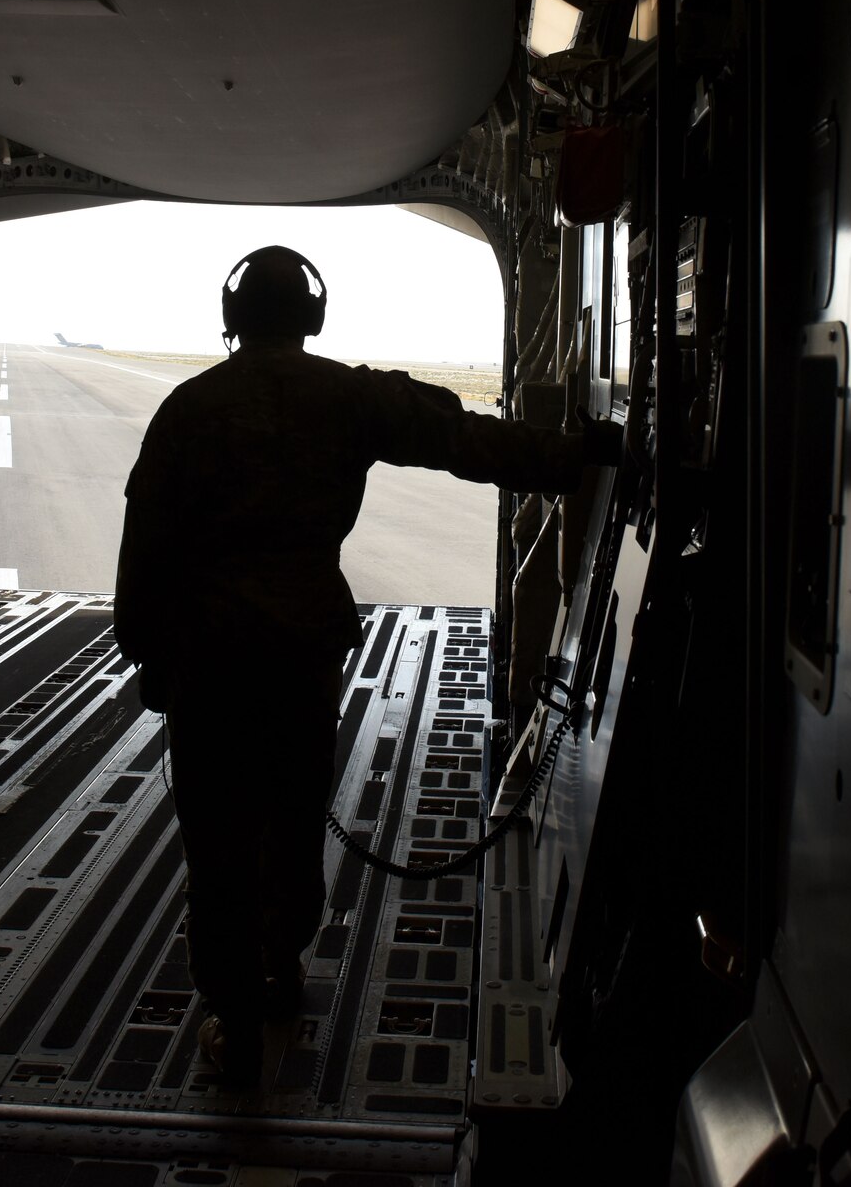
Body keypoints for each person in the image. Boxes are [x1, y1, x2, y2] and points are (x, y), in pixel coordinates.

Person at [113, 245, 621, 1087]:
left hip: (209, 665)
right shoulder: (349, 397)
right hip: (300, 656)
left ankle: (236, 1026)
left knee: (220, 846)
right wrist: (578, 461)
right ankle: (282, 968)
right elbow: (465, 442)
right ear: (311, 317)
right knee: (293, 814)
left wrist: (149, 653)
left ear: (234, 317)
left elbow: (144, 550)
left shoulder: (188, 409)